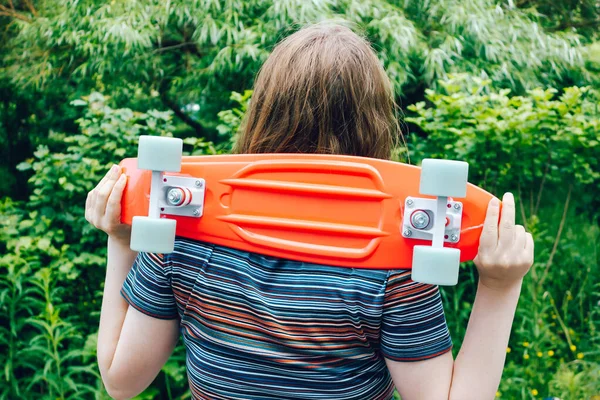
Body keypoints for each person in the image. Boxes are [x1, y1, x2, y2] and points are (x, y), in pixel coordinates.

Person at [85, 23, 534, 400]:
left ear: (262, 110)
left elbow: (120, 380)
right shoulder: (395, 267)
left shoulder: (181, 237)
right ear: (376, 123)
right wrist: (498, 287)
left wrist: (121, 243)